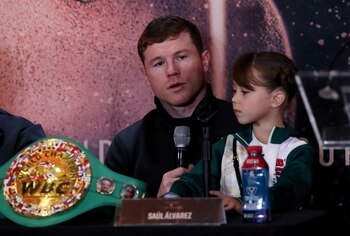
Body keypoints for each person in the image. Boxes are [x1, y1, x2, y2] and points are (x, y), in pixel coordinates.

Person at [104, 15, 242, 197]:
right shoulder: (128, 146)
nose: (172, 71)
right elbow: (106, 220)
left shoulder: (244, 125)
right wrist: (155, 205)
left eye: (181, 57)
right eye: (159, 63)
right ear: (146, 75)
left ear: (205, 61)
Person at [166, 51, 315, 213]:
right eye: (234, 91)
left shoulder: (297, 150)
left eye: (244, 92)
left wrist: (245, 203)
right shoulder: (228, 144)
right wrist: (174, 197)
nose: (235, 99)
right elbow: (195, 180)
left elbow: (289, 192)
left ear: (276, 99)